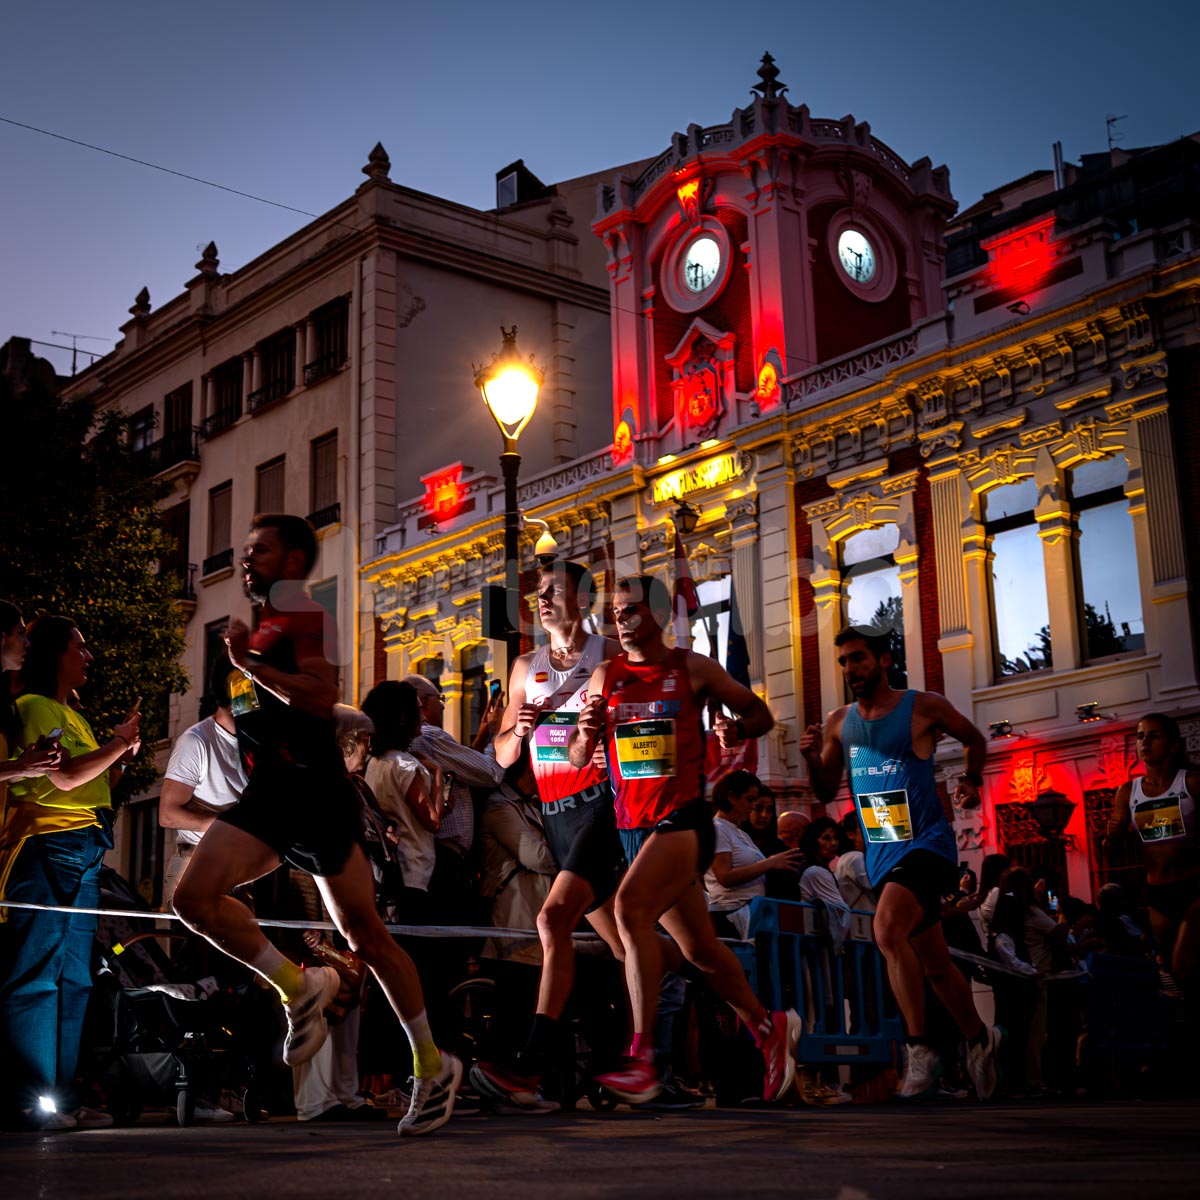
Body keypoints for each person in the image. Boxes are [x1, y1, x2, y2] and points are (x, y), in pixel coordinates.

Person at [171, 514, 460, 1137]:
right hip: (272, 795)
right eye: (245, 549)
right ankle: (298, 985)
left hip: (316, 793)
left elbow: (319, 690)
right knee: (192, 899)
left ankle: (432, 1065)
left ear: (296, 559)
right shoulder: (259, 629)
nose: (248, 558)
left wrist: (255, 669)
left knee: (368, 938)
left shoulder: (301, 613)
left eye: (262, 549)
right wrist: (245, 670)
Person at [569, 574, 799, 1105]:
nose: (620, 622)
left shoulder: (690, 668)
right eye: (615, 614)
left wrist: (738, 729)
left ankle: (643, 1058)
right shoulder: (606, 675)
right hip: (635, 830)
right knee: (698, 948)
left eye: (629, 612)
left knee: (629, 912)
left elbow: (758, 713)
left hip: (684, 821)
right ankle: (769, 1029)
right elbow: (579, 760)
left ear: (656, 614)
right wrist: (584, 733)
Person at [800, 624, 1002, 1102]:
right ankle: (979, 1039)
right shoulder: (838, 721)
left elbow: (974, 737)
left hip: (928, 845)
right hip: (883, 849)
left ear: (884, 660)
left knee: (887, 930)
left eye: (859, 658)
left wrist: (971, 779)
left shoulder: (921, 706)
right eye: (845, 661)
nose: (851, 669)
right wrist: (812, 758)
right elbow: (826, 791)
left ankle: (920, 1049)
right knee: (932, 963)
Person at [470, 560, 628, 1112]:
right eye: (538, 593)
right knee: (624, 944)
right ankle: (645, 1055)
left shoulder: (608, 652)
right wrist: (520, 728)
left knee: (551, 920)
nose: (541, 600)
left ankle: (529, 1068)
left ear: (582, 600)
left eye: (554, 591)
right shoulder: (523, 666)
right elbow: (503, 755)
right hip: (555, 810)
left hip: (602, 801)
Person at [0, 615, 139, 1131]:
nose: (89, 656)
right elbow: (62, 779)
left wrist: (121, 753)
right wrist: (120, 743)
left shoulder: (69, 713)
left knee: (74, 977)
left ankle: (59, 1097)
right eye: (81, 646)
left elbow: (90, 779)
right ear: (56, 652)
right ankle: (28, 1099)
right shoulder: (33, 706)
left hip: (85, 845)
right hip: (46, 844)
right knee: (38, 973)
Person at [1107, 712, 1200, 994]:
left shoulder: (1192, 783)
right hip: (1157, 894)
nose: (1144, 742)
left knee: (1183, 966)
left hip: (1194, 889)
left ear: (1173, 745)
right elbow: (1111, 853)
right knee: (1176, 973)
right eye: (1140, 736)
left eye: (1153, 735)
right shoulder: (1128, 791)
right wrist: (1112, 835)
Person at [159, 655, 248, 911]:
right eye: (255, 685)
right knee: (201, 949)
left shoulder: (254, 741)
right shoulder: (197, 741)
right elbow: (167, 814)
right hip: (197, 860)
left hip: (241, 864)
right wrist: (227, 827)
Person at [704, 769, 803, 938]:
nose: (751, 807)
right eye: (749, 800)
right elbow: (724, 877)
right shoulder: (717, 828)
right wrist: (769, 863)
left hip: (754, 912)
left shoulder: (741, 833)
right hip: (730, 916)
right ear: (732, 797)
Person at [834, 810, 876, 913]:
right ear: (851, 834)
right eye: (865, 827)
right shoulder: (854, 857)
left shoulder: (846, 859)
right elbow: (875, 884)